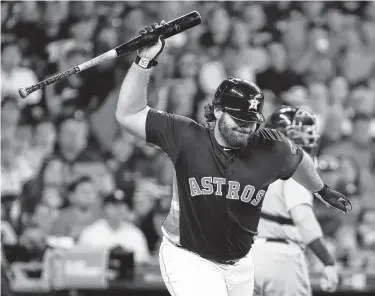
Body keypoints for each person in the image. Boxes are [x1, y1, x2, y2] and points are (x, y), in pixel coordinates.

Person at [115, 21, 352, 296]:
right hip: (189, 257)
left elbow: (299, 160)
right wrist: (144, 61)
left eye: (251, 120)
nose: (246, 127)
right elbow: (129, 115)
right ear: (217, 110)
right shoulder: (186, 136)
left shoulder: (271, 146)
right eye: (238, 119)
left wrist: (321, 190)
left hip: (240, 264)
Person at [252, 106, 339, 296]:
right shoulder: (293, 164)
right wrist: (327, 261)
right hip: (281, 258)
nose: (307, 141)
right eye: (300, 135)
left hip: (245, 256)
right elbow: (303, 219)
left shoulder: (249, 161)